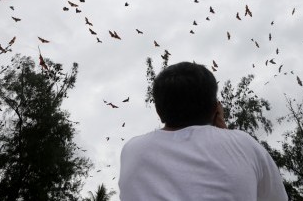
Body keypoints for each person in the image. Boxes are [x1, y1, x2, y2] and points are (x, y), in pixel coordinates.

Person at [119, 62, 288, 200]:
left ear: (158, 111)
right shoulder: (245, 145)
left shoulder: (133, 150)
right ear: (216, 108)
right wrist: (226, 133)